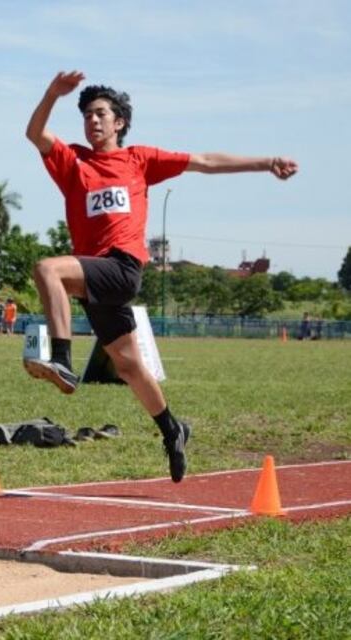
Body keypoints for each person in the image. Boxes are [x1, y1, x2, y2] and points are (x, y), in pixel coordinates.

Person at [24, 71, 298, 483]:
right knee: (130, 366)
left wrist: (267, 162)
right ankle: (173, 429)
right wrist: (51, 94)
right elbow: (34, 132)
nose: (92, 122)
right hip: (94, 279)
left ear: (119, 122)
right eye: (86, 116)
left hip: (121, 267)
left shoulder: (139, 160)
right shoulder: (74, 163)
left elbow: (206, 162)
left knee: (48, 269)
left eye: (100, 114)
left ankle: (62, 360)